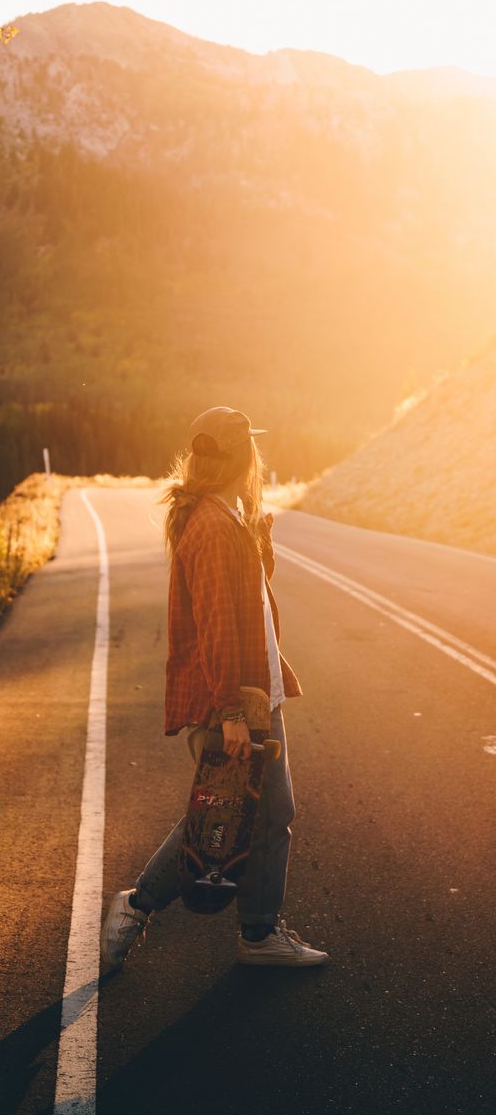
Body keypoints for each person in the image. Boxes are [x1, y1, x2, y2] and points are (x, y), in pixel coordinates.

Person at [101, 406, 329, 968]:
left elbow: (246, 599)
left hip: (252, 696)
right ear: (241, 457)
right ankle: (247, 933)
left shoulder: (222, 518)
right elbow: (217, 623)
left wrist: (260, 537)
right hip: (240, 702)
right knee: (251, 815)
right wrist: (230, 711)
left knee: (236, 814)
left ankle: (161, 910)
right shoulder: (210, 524)